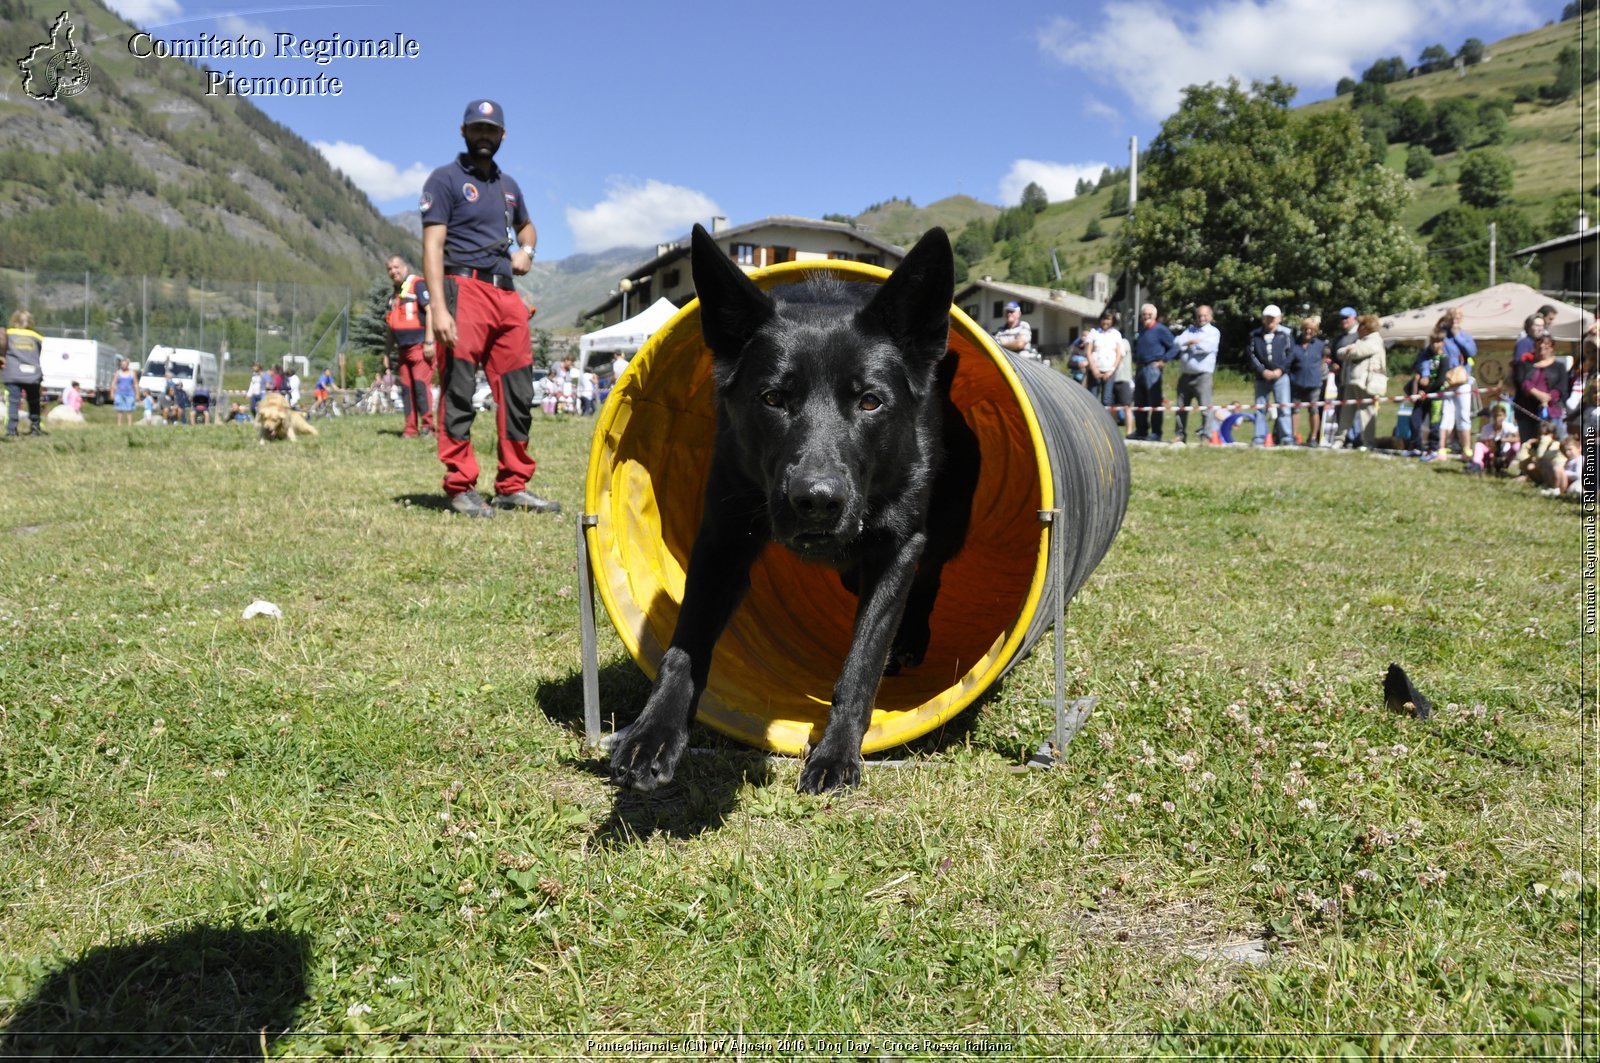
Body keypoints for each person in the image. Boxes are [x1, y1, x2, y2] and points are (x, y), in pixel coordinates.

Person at [421, 98, 558, 517]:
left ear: (502, 136)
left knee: (520, 391)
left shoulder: (510, 186)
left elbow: (526, 226)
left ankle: (512, 486)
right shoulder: (443, 180)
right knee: (460, 390)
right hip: (464, 289)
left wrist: (528, 250)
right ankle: (461, 485)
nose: (484, 135)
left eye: (491, 130)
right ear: (463, 132)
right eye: (477, 128)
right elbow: (432, 246)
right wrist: (439, 311)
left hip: (507, 296)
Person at [382, 254, 436, 438]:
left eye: (396, 267)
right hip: (402, 350)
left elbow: (431, 311)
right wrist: (386, 353)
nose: (393, 271)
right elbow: (390, 328)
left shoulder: (418, 285)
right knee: (406, 390)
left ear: (405, 268)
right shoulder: (393, 297)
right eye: (389, 269)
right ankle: (410, 429)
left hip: (420, 346)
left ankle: (428, 427)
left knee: (421, 387)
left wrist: (429, 341)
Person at [1337, 314, 1388, 450]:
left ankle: (1368, 443)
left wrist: (1349, 350)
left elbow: (1357, 352)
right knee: (1346, 413)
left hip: (1366, 383)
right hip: (1351, 381)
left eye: (1361, 325)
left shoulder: (1375, 340)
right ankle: (1339, 440)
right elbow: (1340, 352)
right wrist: (1348, 350)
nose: (1358, 328)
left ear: (1366, 327)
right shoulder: (1361, 340)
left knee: (1367, 413)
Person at [1247, 304, 1295, 446]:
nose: (1270, 321)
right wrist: (1262, 371)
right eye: (1267, 318)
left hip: (1281, 377)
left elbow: (1291, 354)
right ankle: (1259, 437)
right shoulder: (1254, 335)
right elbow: (1251, 355)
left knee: (1284, 407)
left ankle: (1286, 437)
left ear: (1279, 319)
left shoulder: (1286, 334)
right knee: (1261, 407)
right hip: (1262, 377)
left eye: (1273, 318)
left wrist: (1280, 370)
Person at [1173, 304, 1220, 444]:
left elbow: (1207, 347)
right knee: (1181, 408)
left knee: (1206, 408)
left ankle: (1206, 436)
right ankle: (1179, 435)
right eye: (1199, 315)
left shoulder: (1214, 332)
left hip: (1203, 376)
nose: (1202, 318)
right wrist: (1192, 342)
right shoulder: (1190, 330)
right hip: (1185, 375)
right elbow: (1176, 342)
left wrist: (1190, 345)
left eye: (1205, 315)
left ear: (1210, 316)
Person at [1511, 334, 1570, 444]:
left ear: (1552, 347)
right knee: (1528, 446)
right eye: (1539, 344)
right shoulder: (1523, 364)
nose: (1542, 346)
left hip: (1551, 411)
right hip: (1527, 412)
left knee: (1552, 444)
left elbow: (1562, 388)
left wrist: (1548, 399)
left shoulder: (1559, 367)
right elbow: (1521, 382)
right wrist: (1538, 395)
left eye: (1546, 344)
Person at [1130, 303, 1175, 441]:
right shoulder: (1142, 331)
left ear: (1154, 315)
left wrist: (1164, 360)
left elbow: (1174, 346)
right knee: (1139, 402)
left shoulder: (1161, 330)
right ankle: (1141, 431)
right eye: (1144, 314)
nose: (1146, 317)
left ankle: (1156, 433)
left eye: (1149, 314)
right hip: (1140, 369)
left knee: (1155, 403)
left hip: (1153, 369)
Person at [1, 309, 46, 438]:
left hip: (13, 373)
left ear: (14, 320)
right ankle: (35, 427)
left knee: (13, 402)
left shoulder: (8, 334)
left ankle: (11, 430)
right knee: (34, 402)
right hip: (32, 374)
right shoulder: (37, 336)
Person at [1288, 314, 1327, 447]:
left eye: (1311, 329)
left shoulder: (1320, 345)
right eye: (1306, 329)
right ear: (1302, 329)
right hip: (1296, 381)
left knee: (1314, 410)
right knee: (1295, 410)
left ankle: (1313, 437)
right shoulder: (1294, 344)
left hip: (1314, 383)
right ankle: (1293, 436)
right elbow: (1289, 362)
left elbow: (1323, 359)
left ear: (1315, 331)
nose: (1308, 332)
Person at [1083, 309, 1122, 416]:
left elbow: (1119, 354)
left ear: (1112, 320)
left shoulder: (1116, 334)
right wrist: (1094, 369)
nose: (1106, 322)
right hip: (1095, 370)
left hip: (1109, 371)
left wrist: (1111, 371)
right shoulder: (1094, 333)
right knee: (1092, 398)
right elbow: (1089, 352)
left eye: (1108, 319)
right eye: (1104, 319)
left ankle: (1106, 424)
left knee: (1107, 399)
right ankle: (1092, 420)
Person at [1469, 403, 1519, 474]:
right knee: (1478, 445)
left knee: (1517, 445)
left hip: (1505, 454)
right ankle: (1477, 465)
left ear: (1504, 416)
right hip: (1490, 452)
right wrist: (1491, 444)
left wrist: (1503, 440)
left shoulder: (1509, 426)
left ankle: (1506, 464)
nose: (1497, 418)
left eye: (1499, 415)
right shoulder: (1486, 428)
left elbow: (1519, 438)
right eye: (1495, 416)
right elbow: (1482, 441)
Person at [112, 358, 138, 426]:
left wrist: (137, 394)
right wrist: (112, 393)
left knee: (129, 410)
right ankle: (119, 424)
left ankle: (129, 425)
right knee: (120, 410)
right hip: (119, 393)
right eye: (122, 364)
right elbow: (113, 383)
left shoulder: (132, 373)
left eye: (124, 364)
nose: (123, 365)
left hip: (130, 394)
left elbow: (135, 384)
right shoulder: (118, 373)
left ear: (128, 365)